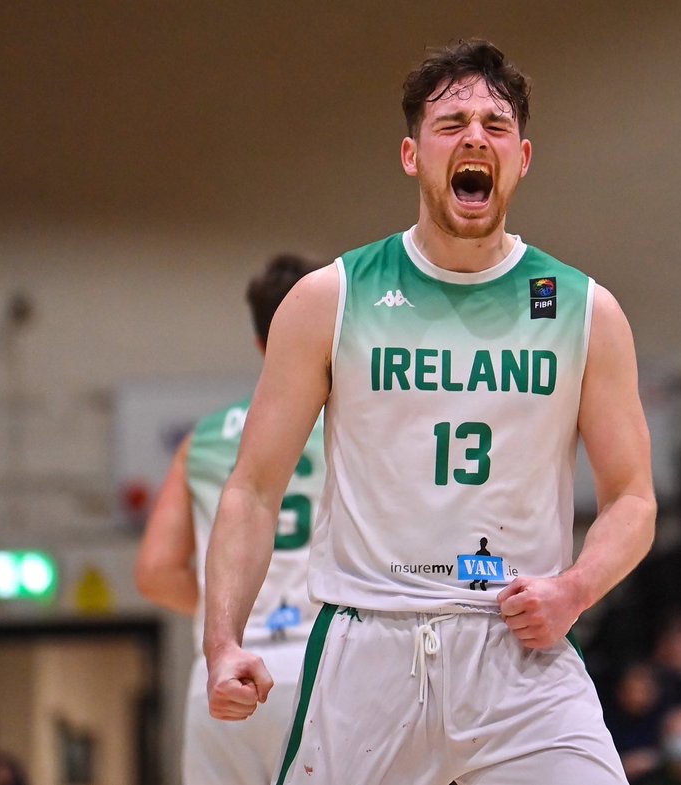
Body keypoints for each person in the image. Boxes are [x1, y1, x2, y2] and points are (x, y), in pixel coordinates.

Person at [203, 39, 657, 785]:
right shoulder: (331, 299)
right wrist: (222, 643)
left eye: (495, 125)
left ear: (521, 158)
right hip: (368, 645)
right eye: (451, 124)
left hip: (518, 646)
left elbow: (633, 499)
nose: (475, 136)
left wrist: (575, 590)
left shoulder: (584, 309)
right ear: (412, 155)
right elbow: (253, 488)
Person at [134, 255, 325, 785]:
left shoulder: (202, 439)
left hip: (226, 673)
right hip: (328, 664)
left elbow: (155, 572)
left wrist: (233, 606)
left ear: (262, 343)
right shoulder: (358, 424)